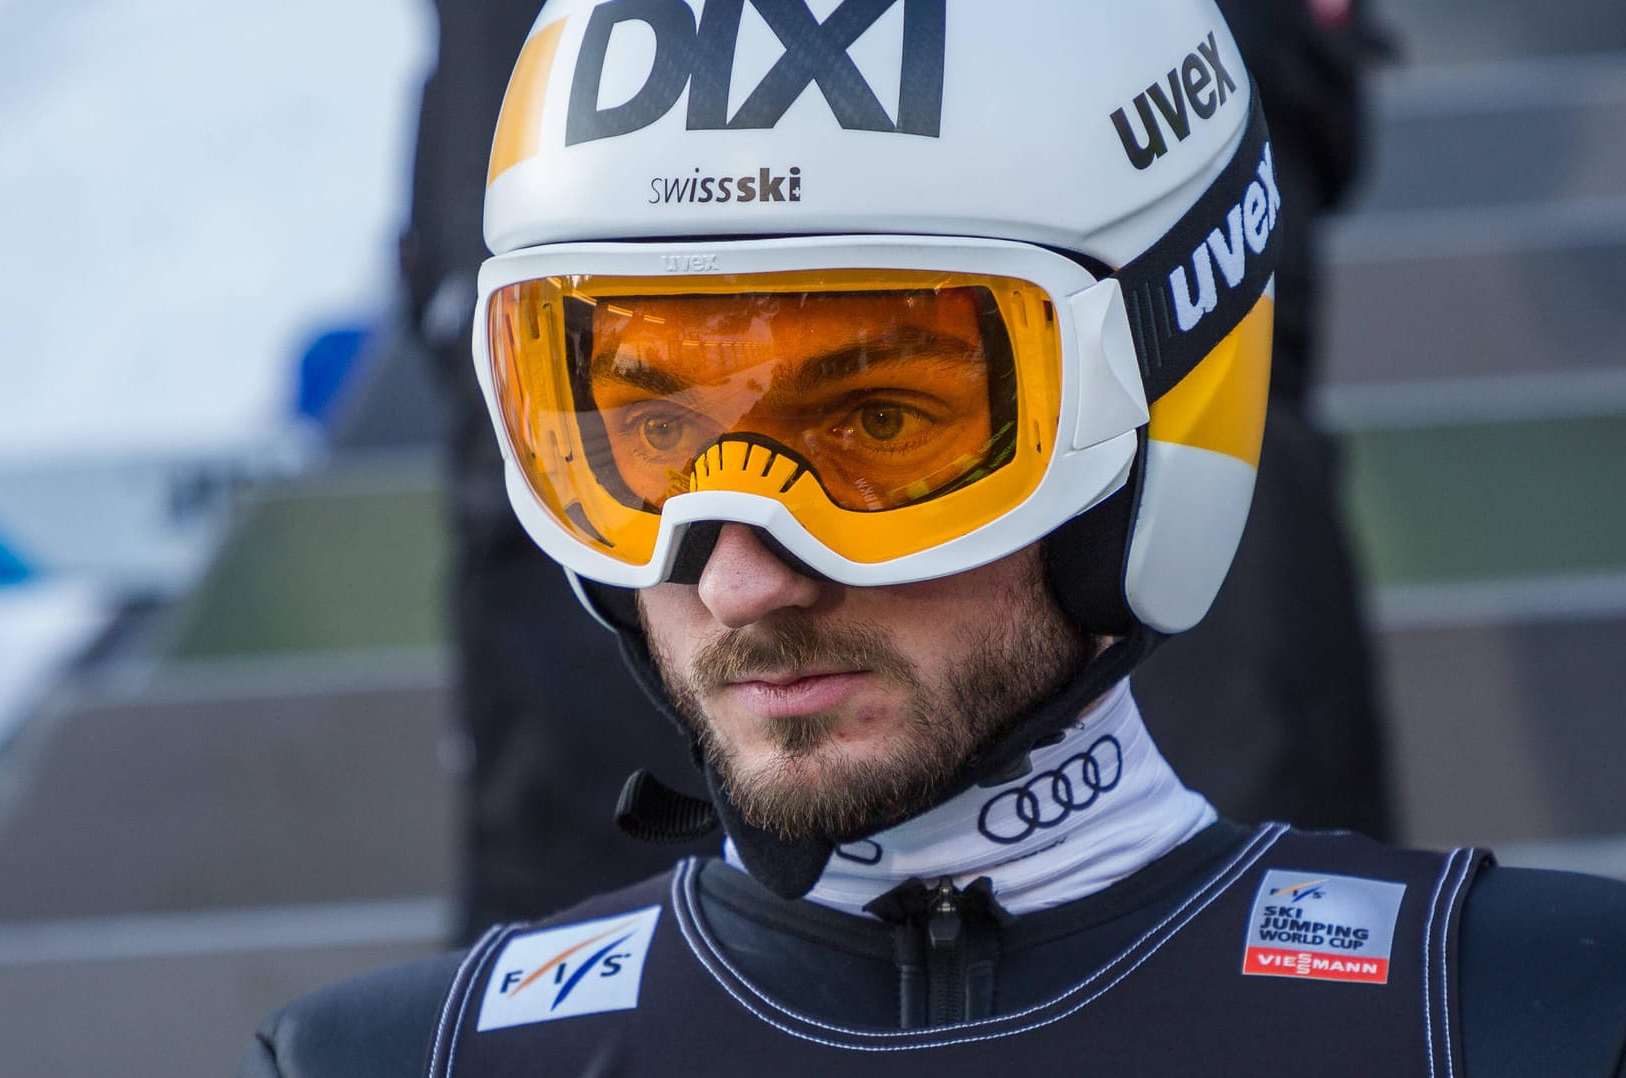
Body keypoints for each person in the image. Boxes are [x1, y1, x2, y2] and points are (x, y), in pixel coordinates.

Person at [251, 1, 1626, 1073]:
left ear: (1152, 394)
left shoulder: (1545, 1014)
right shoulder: (389, 1057)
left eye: (887, 425)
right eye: (646, 438)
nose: (739, 576)